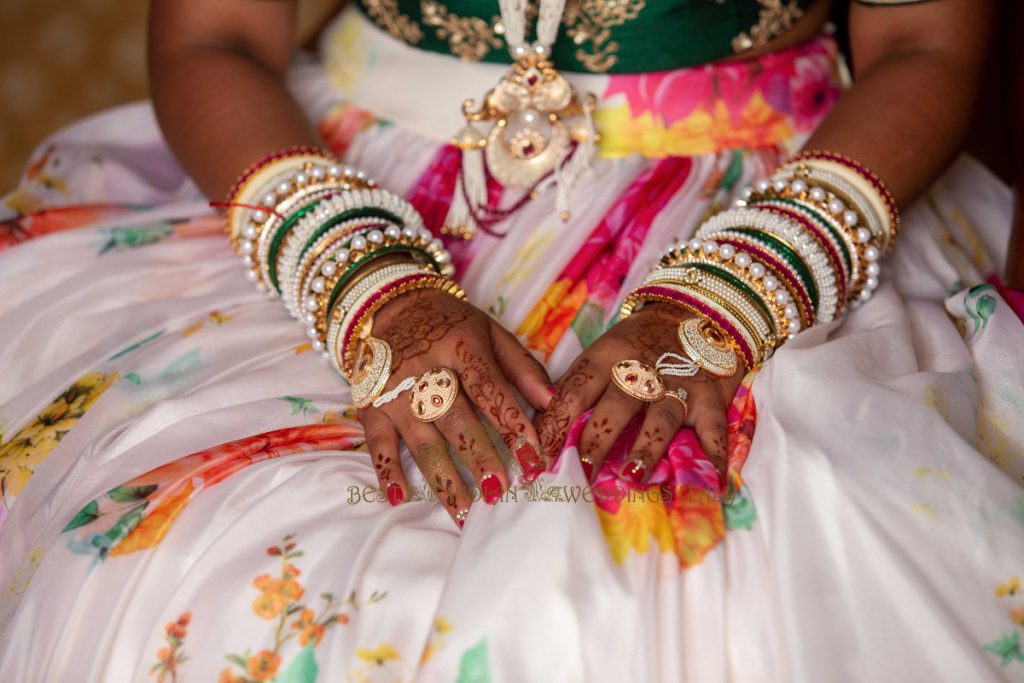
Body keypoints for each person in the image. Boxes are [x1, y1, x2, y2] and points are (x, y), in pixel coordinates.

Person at [1, 0, 1021, 680]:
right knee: (176, 547)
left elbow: (923, 41)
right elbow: (214, 31)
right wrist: (360, 280)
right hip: (333, 178)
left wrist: (740, 287)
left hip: (784, 188)